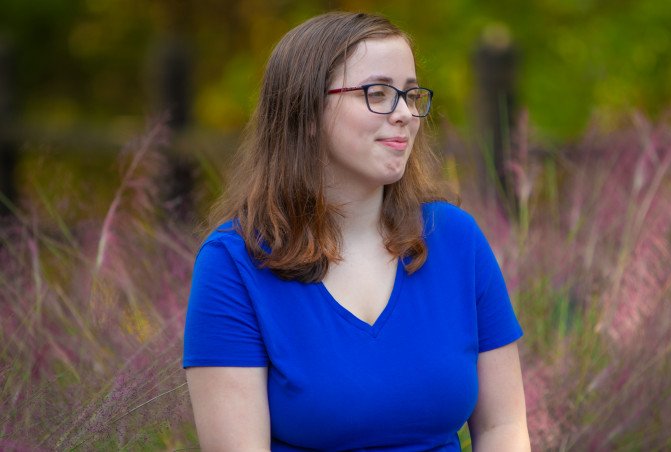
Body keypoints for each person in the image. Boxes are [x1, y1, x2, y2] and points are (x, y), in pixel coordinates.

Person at [183, 11, 529, 451]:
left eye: (410, 94)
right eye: (378, 93)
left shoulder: (455, 239)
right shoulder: (234, 263)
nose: (405, 113)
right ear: (305, 111)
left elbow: (504, 429)